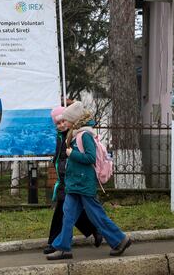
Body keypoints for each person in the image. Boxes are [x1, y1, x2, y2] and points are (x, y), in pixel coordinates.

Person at [46, 101, 132, 260]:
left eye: (67, 119)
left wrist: (72, 154)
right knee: (68, 215)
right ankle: (63, 247)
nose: (65, 123)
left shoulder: (85, 135)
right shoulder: (75, 134)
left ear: (74, 119)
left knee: (96, 215)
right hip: (74, 184)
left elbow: (90, 158)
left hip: (84, 184)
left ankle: (120, 239)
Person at [44, 106, 102, 254]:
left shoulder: (74, 134)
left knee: (63, 211)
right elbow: (60, 157)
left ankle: (54, 243)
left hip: (73, 179)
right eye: (58, 123)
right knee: (71, 211)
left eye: (63, 121)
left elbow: (83, 156)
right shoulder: (60, 136)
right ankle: (94, 229)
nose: (61, 125)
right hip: (66, 179)